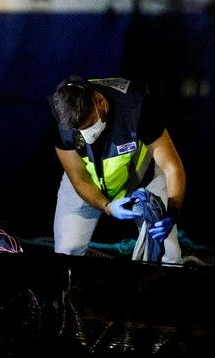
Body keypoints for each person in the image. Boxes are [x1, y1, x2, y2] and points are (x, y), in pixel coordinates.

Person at [49, 75, 186, 264]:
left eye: (88, 125)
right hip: (88, 185)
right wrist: (107, 207)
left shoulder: (136, 106)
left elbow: (171, 167)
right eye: (78, 130)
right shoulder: (63, 118)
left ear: (99, 101)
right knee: (66, 251)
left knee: (169, 255)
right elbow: (78, 178)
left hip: (142, 182)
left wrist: (172, 212)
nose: (85, 135)